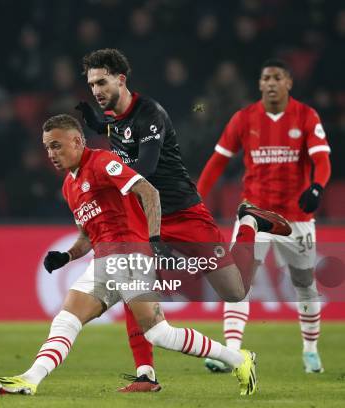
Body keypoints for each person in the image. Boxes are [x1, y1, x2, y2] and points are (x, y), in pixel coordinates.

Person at [0, 114, 258, 397]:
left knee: (159, 333)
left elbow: (149, 192)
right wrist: (66, 257)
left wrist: (154, 240)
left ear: (78, 141)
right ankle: (29, 380)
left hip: (131, 256)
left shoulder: (103, 162)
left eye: (57, 146)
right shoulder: (69, 186)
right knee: (66, 319)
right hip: (103, 262)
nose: (51, 154)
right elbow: (87, 236)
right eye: (47, 148)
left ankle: (240, 360)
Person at [75, 48, 291, 391]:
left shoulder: (150, 113)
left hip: (184, 213)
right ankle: (146, 374)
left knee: (235, 292)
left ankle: (249, 223)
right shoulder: (113, 118)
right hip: (144, 216)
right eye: (90, 84)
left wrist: (104, 179)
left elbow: (144, 170)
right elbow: (122, 136)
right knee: (134, 285)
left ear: (121, 79)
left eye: (101, 82)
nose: (96, 90)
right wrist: (100, 125)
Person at [197, 59, 331, 374]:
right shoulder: (244, 118)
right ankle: (231, 354)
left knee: (304, 285)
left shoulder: (306, 116)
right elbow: (217, 162)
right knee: (236, 284)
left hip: (296, 217)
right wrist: (196, 198)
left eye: (277, 77)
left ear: (288, 83)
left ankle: (310, 351)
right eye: (265, 77)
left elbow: (322, 160)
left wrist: (316, 187)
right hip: (254, 215)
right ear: (259, 85)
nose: (270, 82)